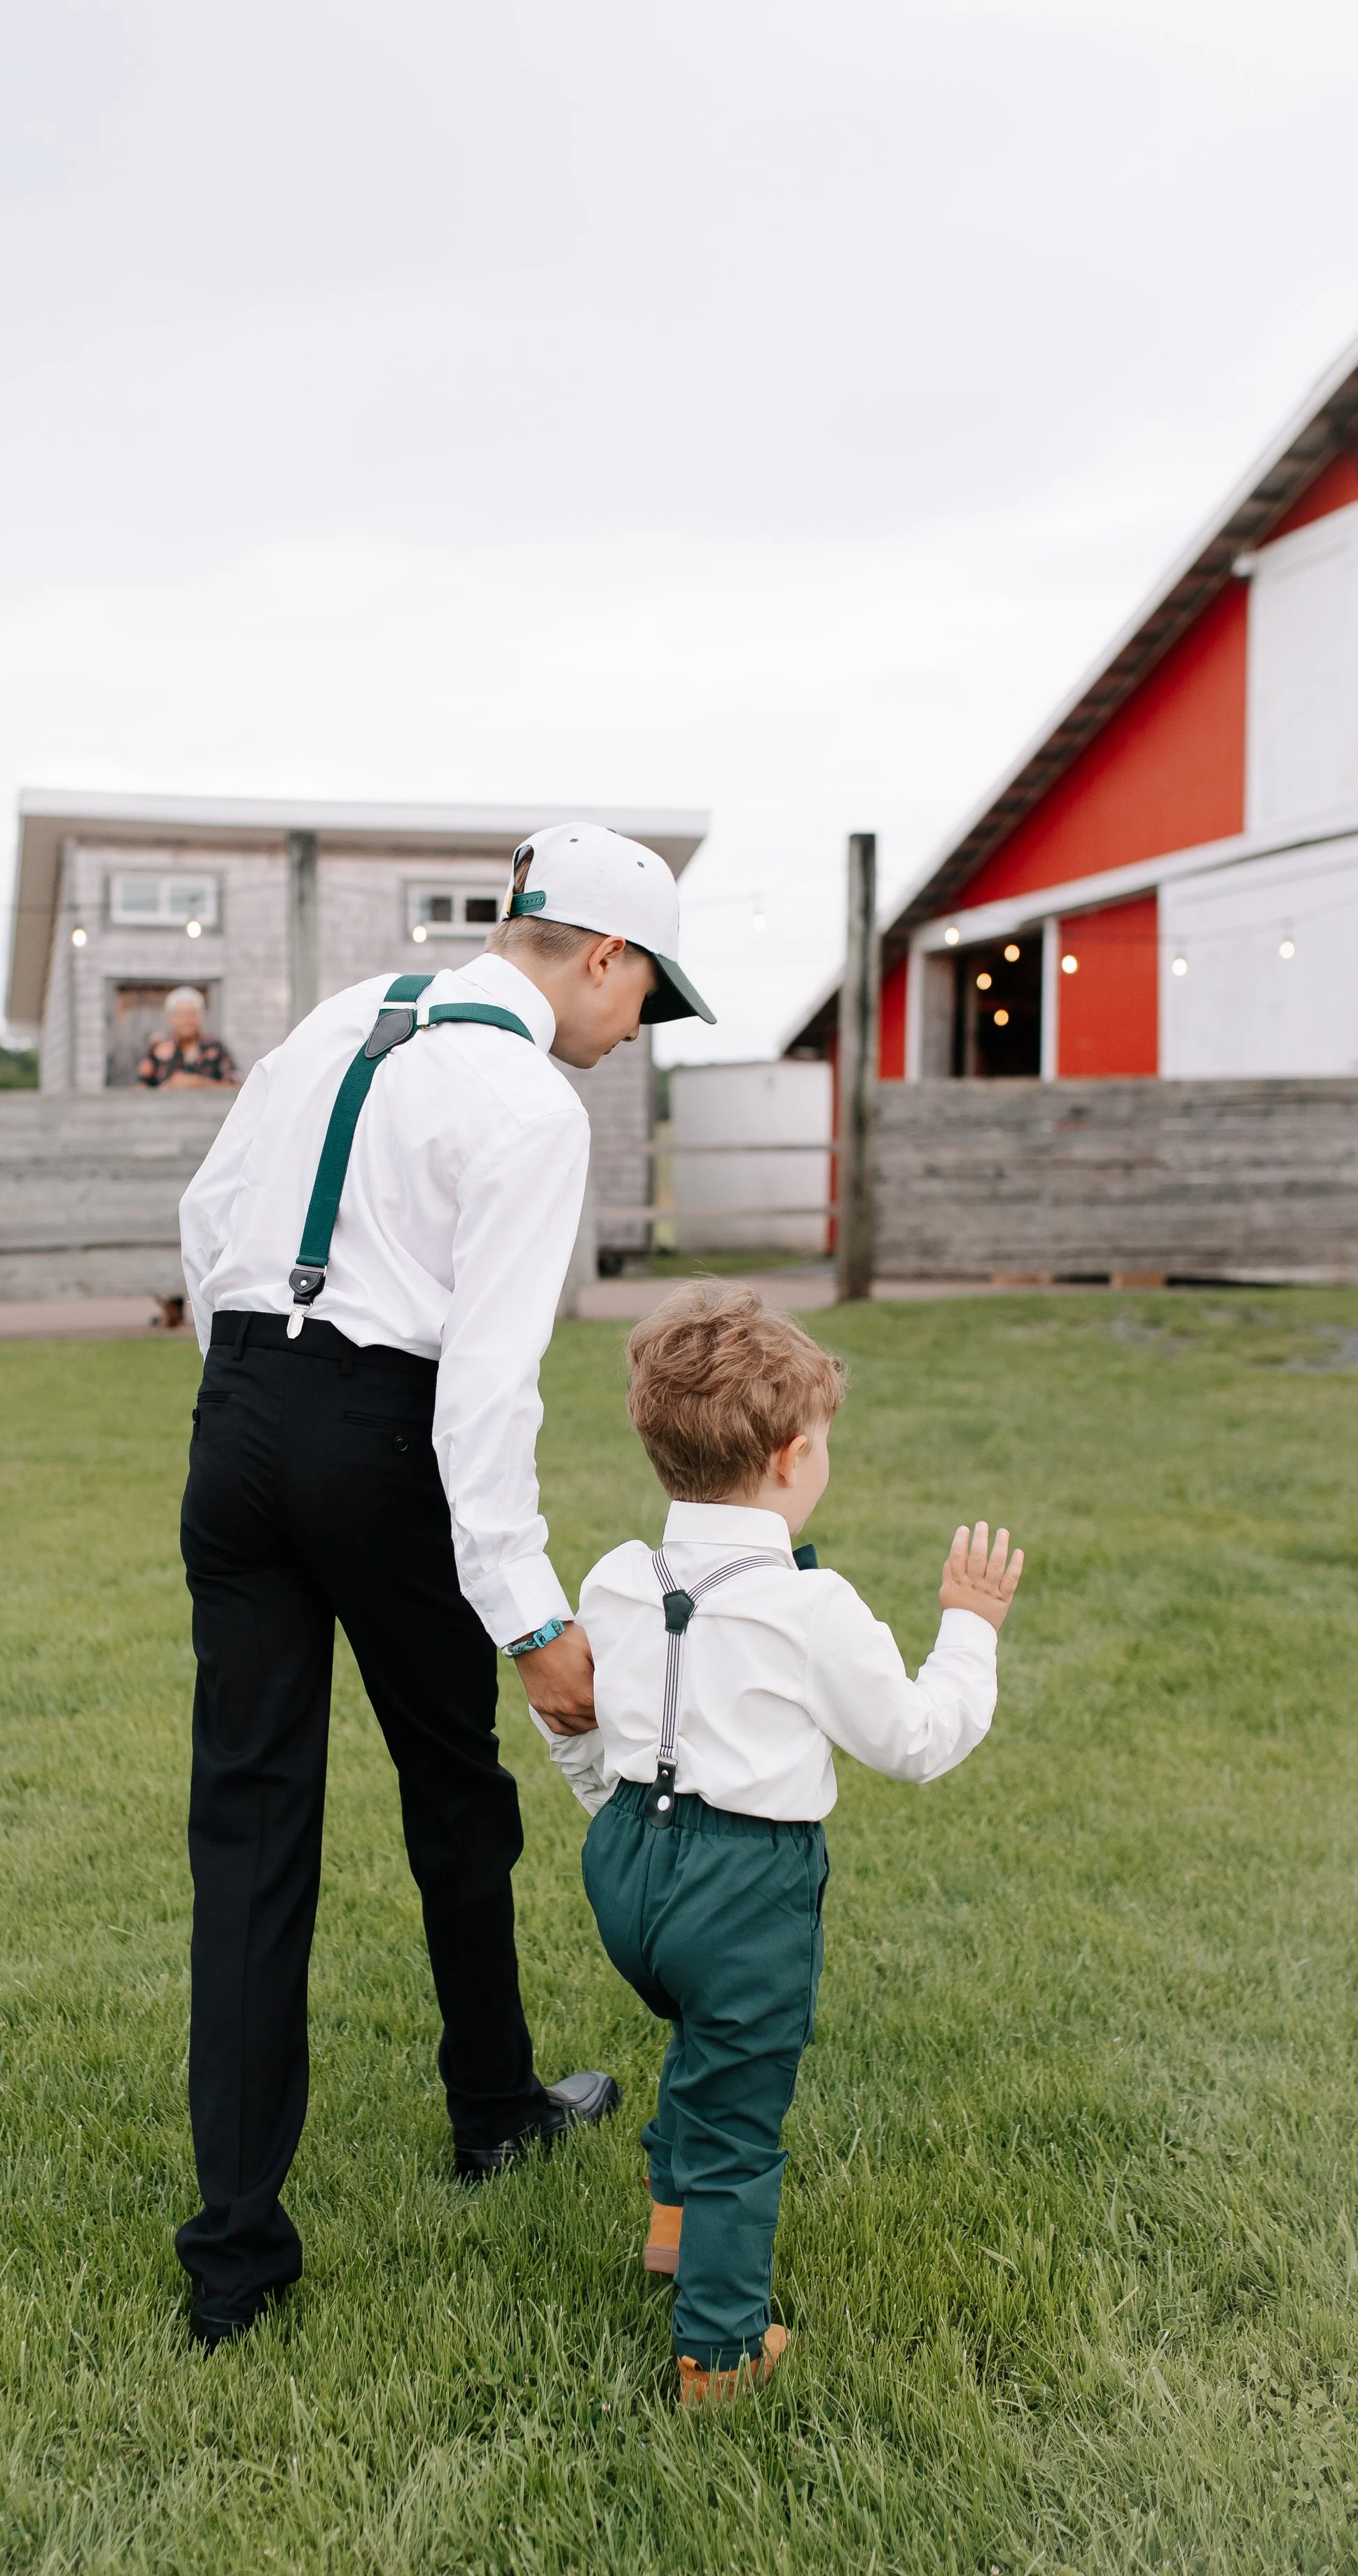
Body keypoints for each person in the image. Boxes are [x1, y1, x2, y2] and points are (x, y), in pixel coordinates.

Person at [174, 823, 717, 2348]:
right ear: (598, 956)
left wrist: (240, 1405)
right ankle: (489, 2109)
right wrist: (533, 1621)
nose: (635, 1033)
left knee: (249, 1833)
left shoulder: (343, 1015)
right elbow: (485, 1392)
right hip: (372, 1436)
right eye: (647, 997)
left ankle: (233, 2262)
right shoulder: (530, 1111)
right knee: (455, 1785)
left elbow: (211, 1220)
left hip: (236, 1418)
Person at [547, 1284, 1023, 2405]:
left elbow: (566, 1709)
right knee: (743, 2117)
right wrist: (969, 1630)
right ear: (793, 1457)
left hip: (624, 1867)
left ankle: (671, 2222)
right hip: (745, 1891)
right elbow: (911, 1740)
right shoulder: (812, 1606)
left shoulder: (618, 1576)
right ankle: (720, 2352)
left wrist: (608, 1807)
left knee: (697, 2046)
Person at [137, 987, 241, 1088]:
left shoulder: (216, 1048)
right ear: (170, 1018)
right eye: (181, 1015)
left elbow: (236, 1087)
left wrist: (199, 1083)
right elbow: (140, 1088)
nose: (186, 1020)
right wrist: (168, 1088)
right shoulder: (157, 1047)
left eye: (192, 1014)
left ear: (201, 1017)